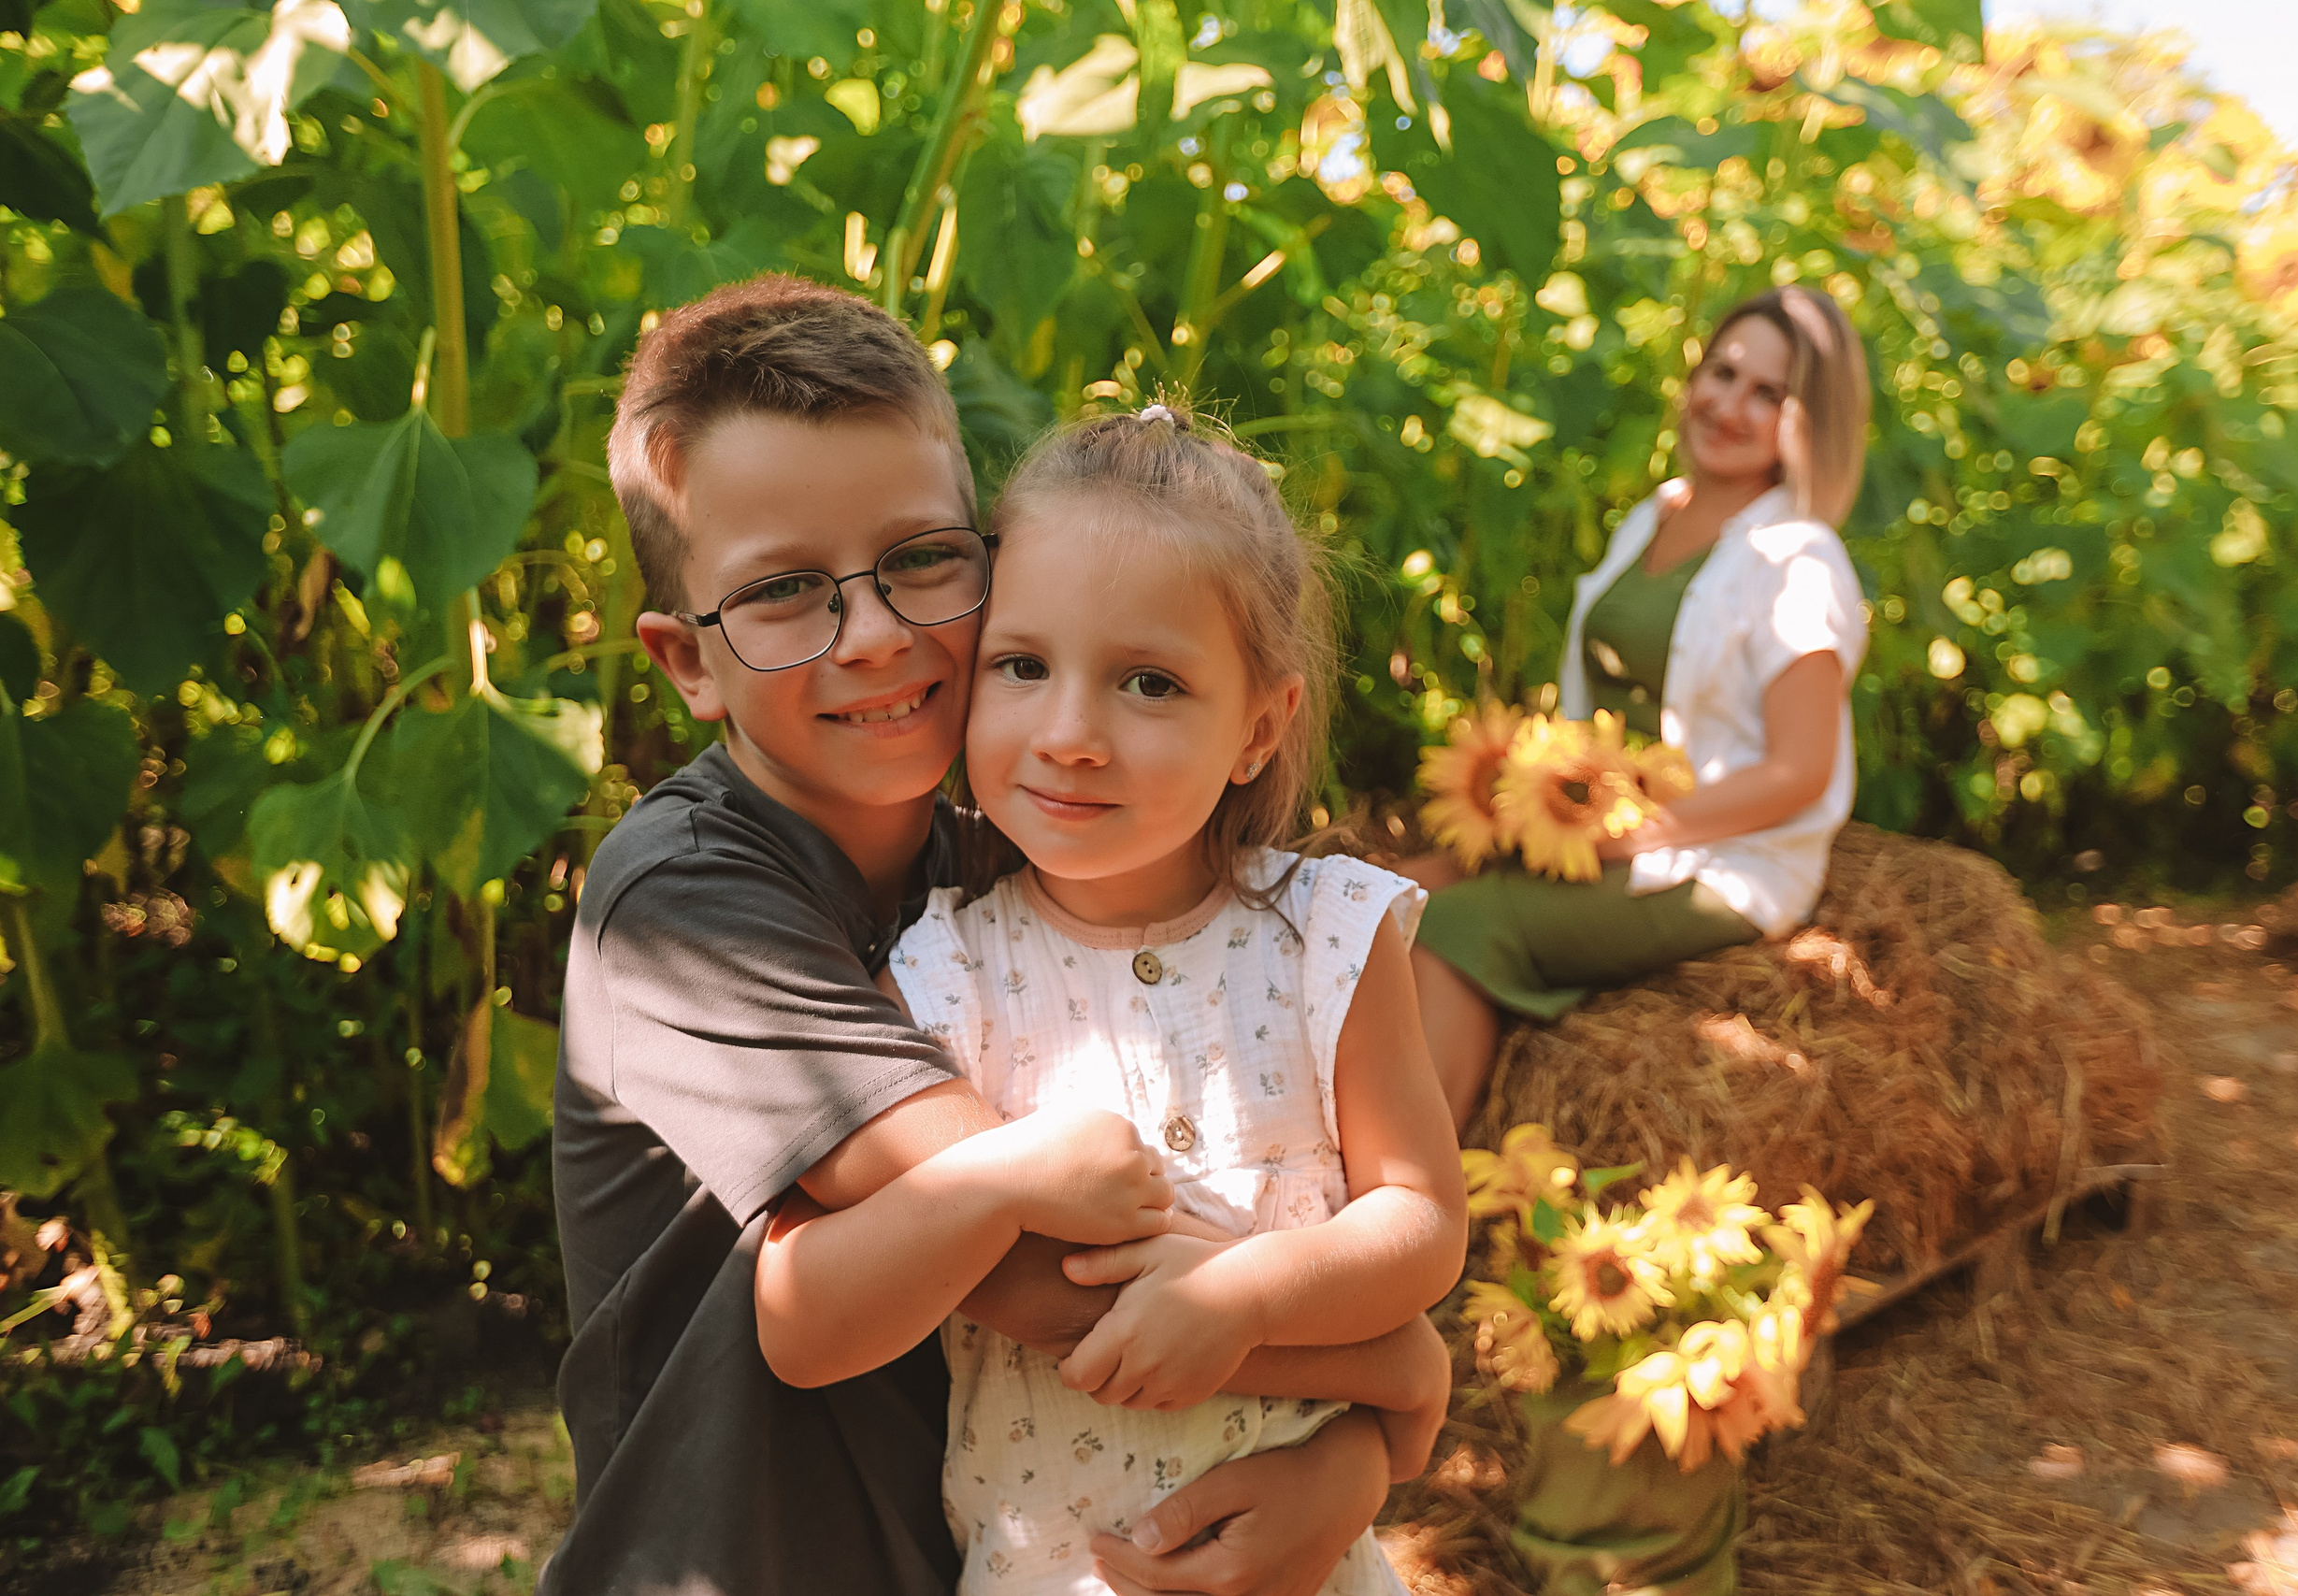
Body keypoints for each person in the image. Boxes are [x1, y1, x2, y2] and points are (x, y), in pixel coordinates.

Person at [546, 278, 1452, 1596]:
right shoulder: (686, 905)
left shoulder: (1003, 863)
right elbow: (1041, 1269)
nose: (875, 634)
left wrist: (1353, 1459)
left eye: (920, 558)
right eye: (786, 591)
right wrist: (1395, 1376)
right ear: (688, 660)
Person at [752, 404, 1471, 1596]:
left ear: (1259, 727)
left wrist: (1243, 1293)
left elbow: (1419, 1223)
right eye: (1021, 667)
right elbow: (814, 1304)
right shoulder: (942, 973)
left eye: (1148, 682)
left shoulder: (1327, 940)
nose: (1072, 735)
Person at [1407, 284, 1874, 1129]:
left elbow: (1801, 772)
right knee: (1382, 895)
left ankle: (1408, 1207)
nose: (1727, 404)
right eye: (1721, 371)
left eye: (1766, 392)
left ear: (1807, 420)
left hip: (1720, 858)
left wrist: (1635, 834)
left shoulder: (1800, 560)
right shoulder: (1659, 513)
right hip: (1596, 821)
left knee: (1455, 925)